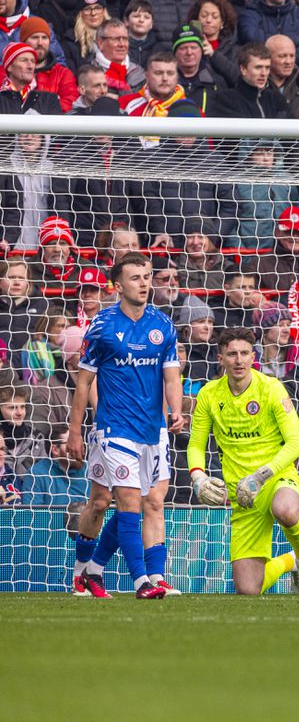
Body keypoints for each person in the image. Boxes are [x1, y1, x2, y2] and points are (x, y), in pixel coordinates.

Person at [66, 252, 184, 600]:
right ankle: (142, 582)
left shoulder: (162, 325)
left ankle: (92, 572)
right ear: (118, 286)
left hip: (152, 429)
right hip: (114, 428)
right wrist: (75, 432)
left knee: (118, 502)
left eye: (148, 276)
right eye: (136, 278)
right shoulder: (102, 327)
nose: (145, 283)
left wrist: (175, 411)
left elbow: (172, 375)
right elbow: (84, 383)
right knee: (128, 501)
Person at [187, 327, 299, 596]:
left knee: (286, 510)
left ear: (253, 356)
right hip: (242, 494)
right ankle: (290, 563)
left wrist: (261, 476)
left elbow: (296, 443)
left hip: (274, 478)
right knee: (249, 590)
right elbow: (195, 444)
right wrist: (198, 478)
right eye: (232, 354)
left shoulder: (271, 388)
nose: (239, 360)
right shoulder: (209, 395)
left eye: (244, 353)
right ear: (220, 358)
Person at [207, 41, 291, 119]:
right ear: (243, 69)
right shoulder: (225, 100)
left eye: (267, 68)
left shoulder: (277, 99)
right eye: (258, 67)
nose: (264, 73)